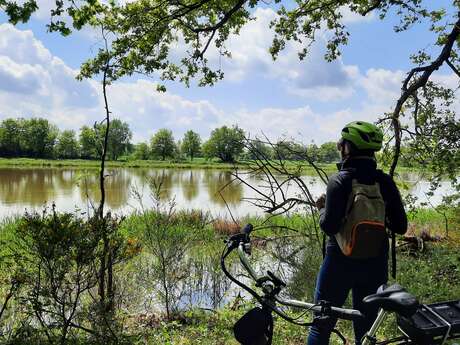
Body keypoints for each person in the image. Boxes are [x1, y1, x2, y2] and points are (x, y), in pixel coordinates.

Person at [307, 121, 407, 345]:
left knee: (321, 322)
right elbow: (401, 226)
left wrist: (322, 209)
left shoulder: (340, 180)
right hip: (375, 262)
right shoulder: (385, 182)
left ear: (348, 148)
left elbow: (329, 227)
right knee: (366, 323)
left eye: (341, 143)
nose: (339, 147)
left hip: (339, 261)